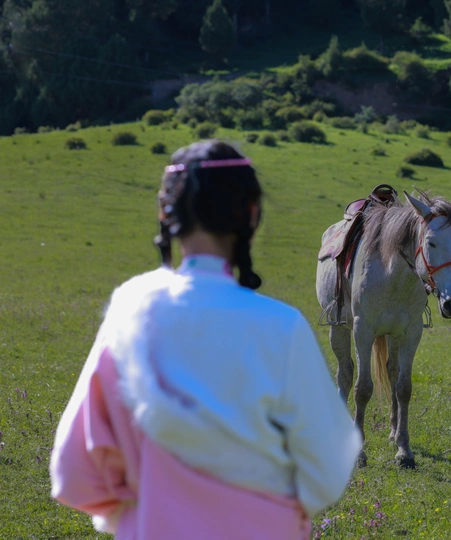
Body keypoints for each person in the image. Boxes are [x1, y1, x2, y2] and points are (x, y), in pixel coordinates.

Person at [49, 140, 362, 539]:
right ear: (252, 214)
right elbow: (329, 465)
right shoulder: (283, 327)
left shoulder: (130, 311)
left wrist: (135, 514)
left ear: (166, 213)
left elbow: (73, 473)